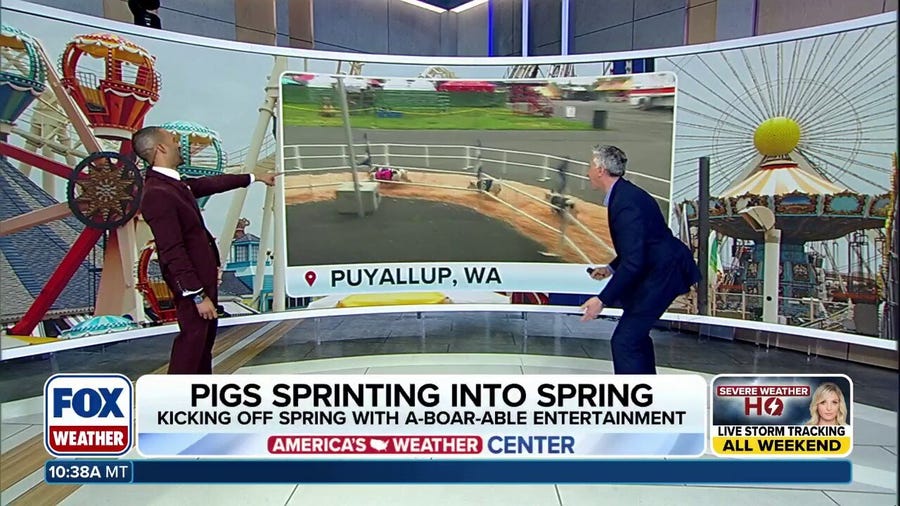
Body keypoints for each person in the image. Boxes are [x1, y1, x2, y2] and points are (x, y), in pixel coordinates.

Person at [133, 126, 277, 374]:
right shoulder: (157, 194)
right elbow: (171, 250)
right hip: (193, 285)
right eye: (173, 140)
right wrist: (197, 296)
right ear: (161, 148)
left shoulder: (174, 186)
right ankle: (177, 400)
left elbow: (211, 183)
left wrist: (254, 177)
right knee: (193, 342)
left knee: (202, 342)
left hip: (202, 278)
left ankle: (200, 394)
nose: (179, 145)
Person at [580, 145, 701, 374]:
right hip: (660, 269)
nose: (587, 173)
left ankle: (633, 402)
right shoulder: (626, 194)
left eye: (590, 166)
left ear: (600, 170)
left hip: (664, 274)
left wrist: (601, 299)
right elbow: (641, 244)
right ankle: (646, 394)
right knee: (634, 337)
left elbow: (635, 261)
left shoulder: (625, 203)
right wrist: (610, 267)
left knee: (625, 341)